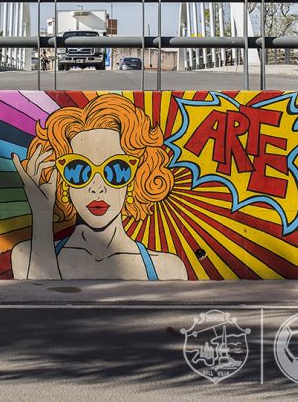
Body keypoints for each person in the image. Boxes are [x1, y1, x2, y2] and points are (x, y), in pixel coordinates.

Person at [11, 93, 187, 280]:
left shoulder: (169, 267)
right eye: (78, 170)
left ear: (138, 176)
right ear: (61, 181)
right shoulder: (26, 255)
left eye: (117, 170)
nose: (97, 188)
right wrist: (42, 216)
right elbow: (42, 295)